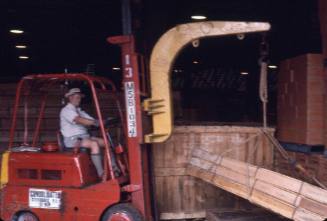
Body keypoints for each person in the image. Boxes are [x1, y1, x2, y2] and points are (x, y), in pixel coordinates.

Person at [60, 88, 104, 177]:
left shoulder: (79, 110)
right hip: (73, 139)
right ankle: (101, 173)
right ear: (70, 98)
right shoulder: (66, 110)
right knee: (94, 144)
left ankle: (114, 168)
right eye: (76, 97)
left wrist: (101, 121)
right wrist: (94, 122)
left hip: (84, 137)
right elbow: (79, 120)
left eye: (79, 98)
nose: (78, 100)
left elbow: (91, 120)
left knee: (105, 142)